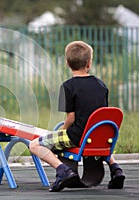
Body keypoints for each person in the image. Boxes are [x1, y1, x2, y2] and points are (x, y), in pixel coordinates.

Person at [29, 41, 125, 192]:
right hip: (98, 136)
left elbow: (71, 118)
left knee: (34, 145)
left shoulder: (67, 86)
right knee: (97, 143)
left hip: (78, 136)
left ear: (67, 63)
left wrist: (63, 130)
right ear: (89, 63)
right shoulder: (101, 85)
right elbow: (101, 114)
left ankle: (63, 171)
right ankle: (116, 169)